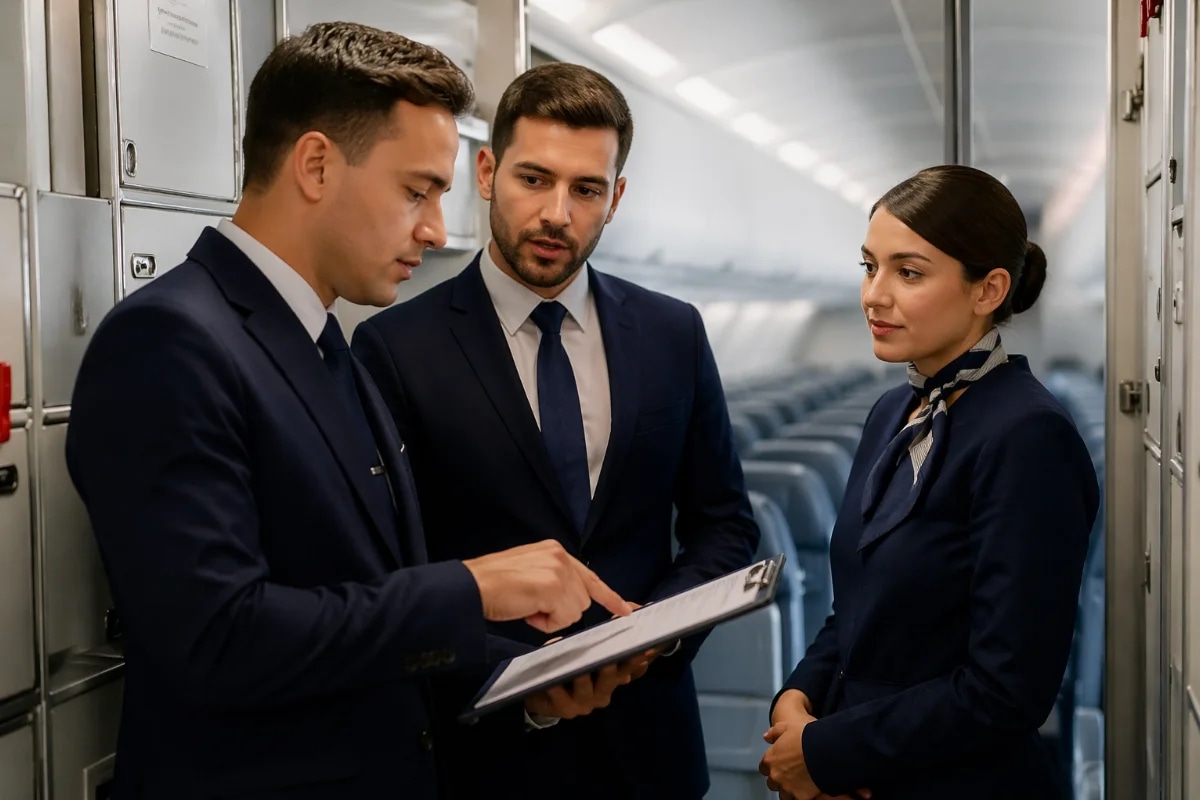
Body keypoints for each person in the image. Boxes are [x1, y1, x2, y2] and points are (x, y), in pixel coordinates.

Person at [64, 23, 634, 800]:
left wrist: (523, 683)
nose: (435, 229)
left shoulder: (328, 342)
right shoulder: (170, 342)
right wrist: (472, 589)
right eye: (416, 191)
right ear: (316, 165)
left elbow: (364, 602)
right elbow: (216, 638)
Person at [352, 62, 760, 799]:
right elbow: (394, 571)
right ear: (486, 170)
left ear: (617, 198)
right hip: (487, 754)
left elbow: (723, 524)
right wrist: (518, 683)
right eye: (533, 180)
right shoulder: (394, 349)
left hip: (649, 747)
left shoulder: (672, 332)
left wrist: (657, 634)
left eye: (586, 189)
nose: (557, 214)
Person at [758, 165, 1099, 800]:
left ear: (988, 289)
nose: (874, 295)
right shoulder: (893, 412)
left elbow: (1006, 690)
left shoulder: (1027, 436)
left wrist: (832, 752)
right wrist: (797, 700)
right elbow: (859, 607)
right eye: (869, 267)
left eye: (908, 273)